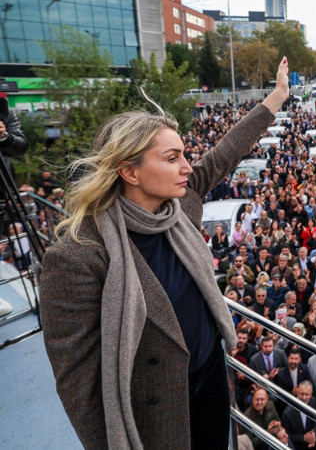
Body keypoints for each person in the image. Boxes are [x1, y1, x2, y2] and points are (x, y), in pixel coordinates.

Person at [39, 57, 291, 448]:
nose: (188, 167)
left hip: (211, 376)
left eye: (185, 155)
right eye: (173, 158)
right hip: (156, 411)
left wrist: (275, 99)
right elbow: (79, 387)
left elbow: (224, 153)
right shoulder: (77, 256)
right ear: (130, 171)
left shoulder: (180, 207)